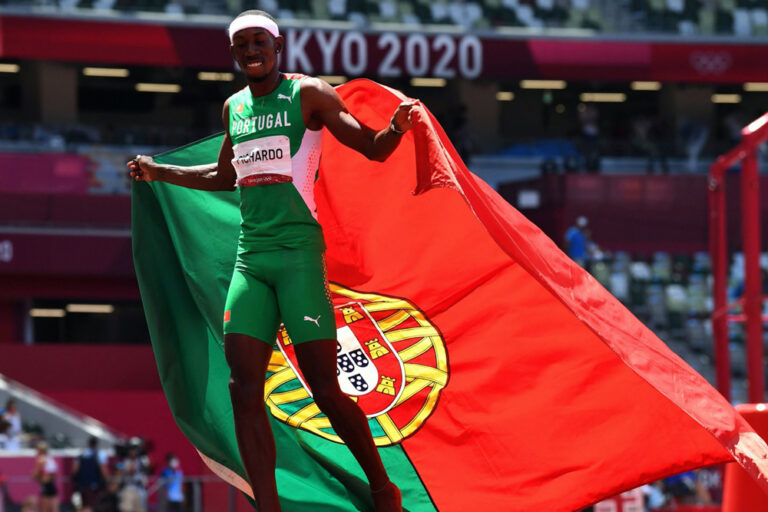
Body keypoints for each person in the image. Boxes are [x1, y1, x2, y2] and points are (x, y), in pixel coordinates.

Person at [127, 10, 412, 512]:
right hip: (251, 261)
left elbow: (371, 147)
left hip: (298, 258)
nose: (251, 51)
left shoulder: (309, 95)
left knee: (325, 386)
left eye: (260, 41)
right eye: (242, 45)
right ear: (234, 54)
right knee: (243, 388)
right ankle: (268, 505)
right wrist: (159, 172)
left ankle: (382, 487)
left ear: (278, 45)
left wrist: (394, 128)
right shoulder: (233, 107)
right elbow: (223, 177)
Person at [72, 436, 109, 512]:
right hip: (94, 486)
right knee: (90, 507)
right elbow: (104, 470)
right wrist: (107, 481)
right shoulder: (99, 454)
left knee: (83, 506)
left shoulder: (82, 454)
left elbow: (74, 469)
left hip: (82, 485)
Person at [32, 441, 59, 512]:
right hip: (52, 485)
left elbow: (35, 474)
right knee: (54, 509)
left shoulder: (41, 460)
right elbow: (55, 475)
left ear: (40, 450)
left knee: (44, 510)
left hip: (46, 486)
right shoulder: (51, 459)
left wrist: (36, 476)